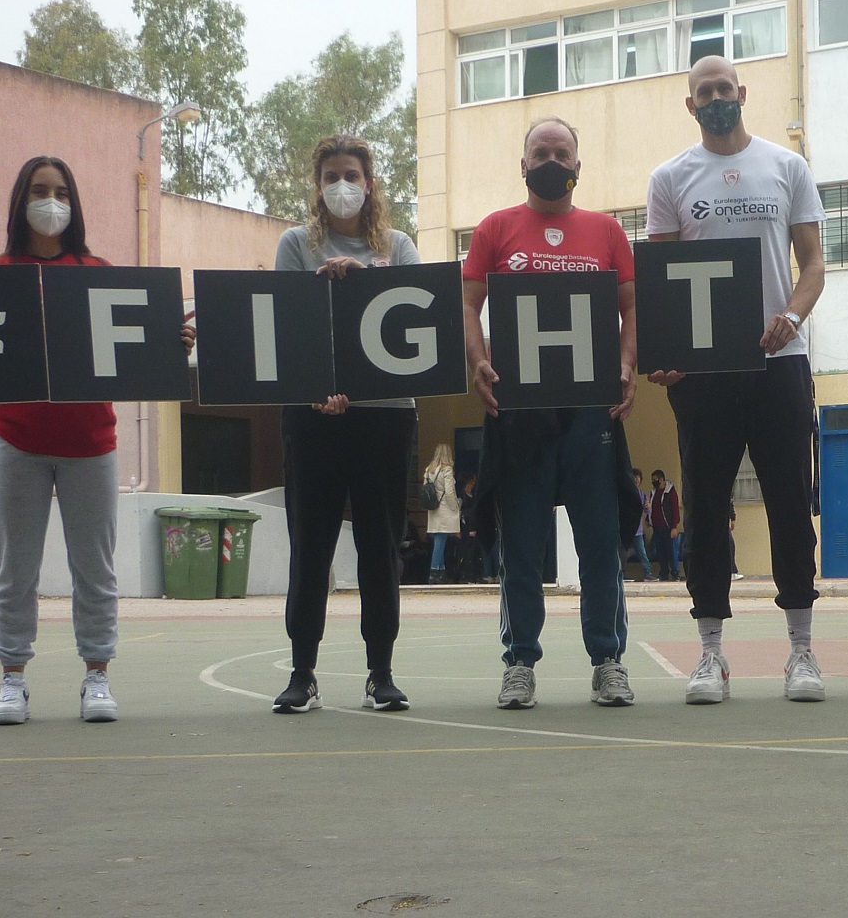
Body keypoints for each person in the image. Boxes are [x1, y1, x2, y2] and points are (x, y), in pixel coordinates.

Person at [0, 155, 193, 725]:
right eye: (39, 190)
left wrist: (173, 342)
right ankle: (12, 681)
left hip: (91, 446)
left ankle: (97, 677)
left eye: (61, 192)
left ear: (75, 203)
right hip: (16, 444)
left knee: (94, 571)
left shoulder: (98, 271)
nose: (51, 201)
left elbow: (135, 346)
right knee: (14, 571)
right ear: (20, 201)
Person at [647, 55, 828, 704]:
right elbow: (661, 283)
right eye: (705, 91)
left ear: (742, 93)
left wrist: (791, 316)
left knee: (790, 506)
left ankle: (801, 651)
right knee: (703, 511)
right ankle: (710, 655)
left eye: (725, 87)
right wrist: (666, 353)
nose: (717, 97)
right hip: (705, 374)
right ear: (690, 104)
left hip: (781, 364)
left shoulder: (787, 166)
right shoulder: (670, 178)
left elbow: (813, 265)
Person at [462, 117, 640, 710]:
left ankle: (608, 660)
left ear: (578, 167)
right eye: (540, 153)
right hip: (521, 413)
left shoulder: (607, 230)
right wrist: (479, 361)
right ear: (523, 165)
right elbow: (467, 304)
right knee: (522, 543)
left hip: (591, 411)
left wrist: (627, 364)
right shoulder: (494, 229)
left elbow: (631, 308)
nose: (551, 161)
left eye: (562, 153)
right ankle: (519, 663)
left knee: (600, 541)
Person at [271, 135, 420, 715]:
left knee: (379, 548)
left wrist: (365, 281)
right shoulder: (295, 244)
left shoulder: (398, 246)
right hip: (313, 422)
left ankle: (381, 673)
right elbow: (287, 328)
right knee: (310, 549)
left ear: (370, 182)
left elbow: (415, 326)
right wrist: (316, 394)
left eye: (352, 175)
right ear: (317, 185)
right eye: (331, 175)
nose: (342, 185)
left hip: (384, 419)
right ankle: (302, 673)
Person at [423, 443, 462, 582]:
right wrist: (455, 507)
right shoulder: (447, 470)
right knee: (441, 540)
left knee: (440, 538)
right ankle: (434, 571)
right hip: (445, 508)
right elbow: (450, 491)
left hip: (433, 509)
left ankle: (441, 570)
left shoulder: (429, 470)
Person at [645, 469, 680, 582]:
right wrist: (648, 519)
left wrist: (674, 527)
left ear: (661, 479)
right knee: (661, 552)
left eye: (655, 480)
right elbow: (652, 508)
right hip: (657, 527)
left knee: (672, 551)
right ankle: (664, 573)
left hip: (668, 527)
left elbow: (675, 510)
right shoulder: (653, 492)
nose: (654, 482)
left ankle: (675, 573)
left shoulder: (671, 492)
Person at [625, 468, 650, 581]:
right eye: (634, 477)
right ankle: (621, 573)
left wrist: (648, 507)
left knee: (642, 552)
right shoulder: (626, 493)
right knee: (622, 553)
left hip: (638, 530)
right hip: (626, 529)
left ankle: (648, 573)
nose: (636, 480)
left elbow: (647, 511)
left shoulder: (642, 494)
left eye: (638, 478)